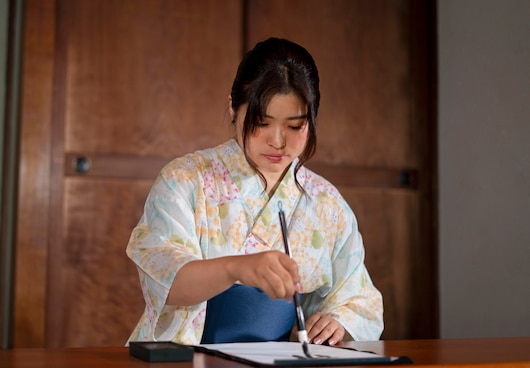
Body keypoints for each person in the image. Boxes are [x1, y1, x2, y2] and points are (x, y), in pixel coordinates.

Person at [126, 37, 383, 346]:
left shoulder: (325, 202)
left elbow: (356, 296)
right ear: (233, 106)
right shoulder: (184, 179)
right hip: (185, 363)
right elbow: (165, 279)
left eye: (294, 126)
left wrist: (337, 321)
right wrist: (238, 268)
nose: (277, 141)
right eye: (262, 122)